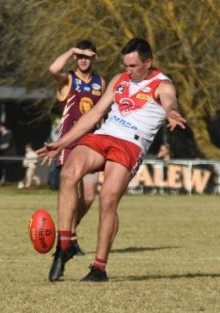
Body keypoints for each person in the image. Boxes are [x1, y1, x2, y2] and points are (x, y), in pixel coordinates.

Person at [36, 37, 186, 282]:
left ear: (149, 62)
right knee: (68, 173)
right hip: (104, 134)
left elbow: (170, 100)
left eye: (134, 66)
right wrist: (61, 143)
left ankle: (99, 269)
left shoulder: (162, 84)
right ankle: (64, 246)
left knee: (107, 199)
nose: (128, 70)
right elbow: (95, 113)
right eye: (126, 65)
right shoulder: (119, 80)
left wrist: (171, 112)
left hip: (130, 144)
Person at [48, 39, 106, 256]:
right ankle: (67, 239)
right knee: (72, 190)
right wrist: (71, 49)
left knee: (89, 196)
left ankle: (70, 232)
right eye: (80, 56)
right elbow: (53, 69)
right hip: (69, 143)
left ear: (95, 58)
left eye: (88, 56)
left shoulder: (100, 82)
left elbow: (101, 113)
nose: (83, 60)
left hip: (91, 143)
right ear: (75, 58)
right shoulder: (68, 79)